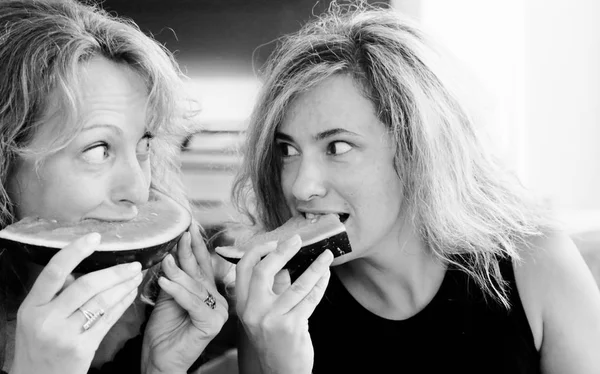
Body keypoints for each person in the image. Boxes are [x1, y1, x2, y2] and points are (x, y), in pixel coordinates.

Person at [230, 2, 600, 374]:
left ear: (416, 150)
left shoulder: (536, 265)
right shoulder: (273, 303)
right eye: (287, 150)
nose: (300, 185)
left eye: (337, 147)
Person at [0, 1, 229, 373]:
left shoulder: (143, 315)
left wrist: (157, 366)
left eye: (144, 146)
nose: (139, 192)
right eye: (98, 149)